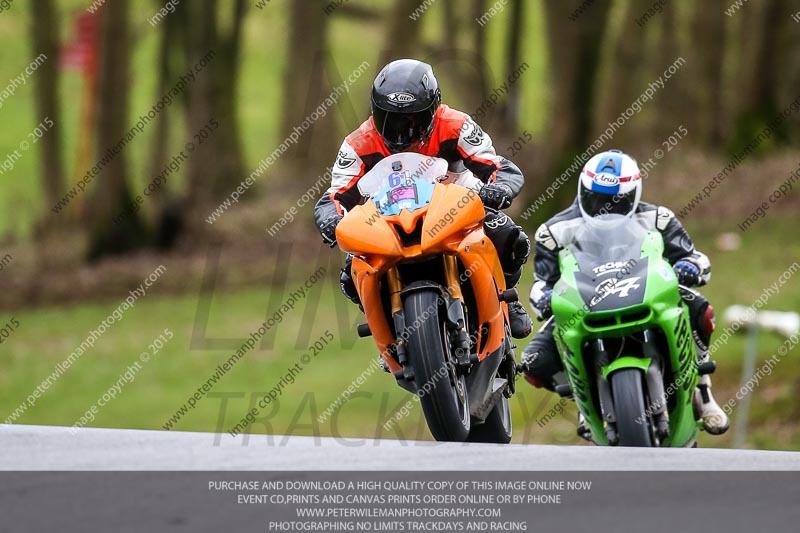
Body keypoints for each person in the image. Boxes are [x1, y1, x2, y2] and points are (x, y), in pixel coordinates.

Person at [313, 58, 532, 339]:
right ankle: (389, 329)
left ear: (433, 109)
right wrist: (333, 220)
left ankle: (507, 300)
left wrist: (498, 187)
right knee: (351, 274)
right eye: (388, 120)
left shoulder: (456, 124)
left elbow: (497, 166)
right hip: (388, 219)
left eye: (412, 121)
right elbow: (335, 195)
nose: (401, 132)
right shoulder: (357, 143)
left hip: (455, 208)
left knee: (509, 237)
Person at [521, 149, 729, 437]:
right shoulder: (553, 230)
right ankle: (583, 401)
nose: (605, 207)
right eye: (597, 198)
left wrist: (689, 267)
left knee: (699, 308)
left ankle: (703, 391)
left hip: (645, 291)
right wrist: (543, 297)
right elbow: (543, 281)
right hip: (585, 301)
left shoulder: (659, 218)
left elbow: (696, 258)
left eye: (616, 201)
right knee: (533, 361)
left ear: (634, 194)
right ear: (582, 190)